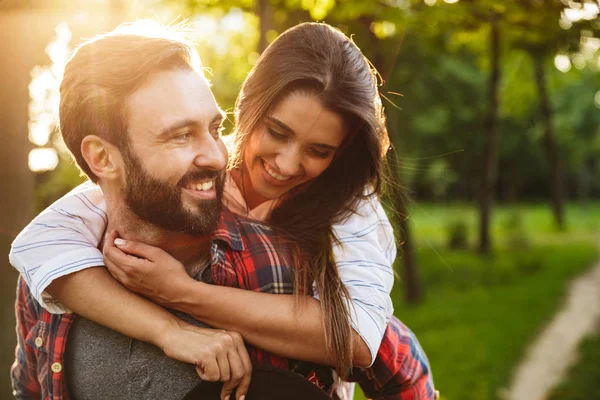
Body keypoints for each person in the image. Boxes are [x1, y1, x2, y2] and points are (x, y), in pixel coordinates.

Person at [11, 21, 437, 400]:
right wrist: (167, 329)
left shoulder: (340, 219)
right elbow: (38, 246)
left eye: (319, 151)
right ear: (249, 106)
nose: (287, 165)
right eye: (276, 132)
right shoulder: (81, 252)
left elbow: (368, 339)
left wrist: (182, 293)